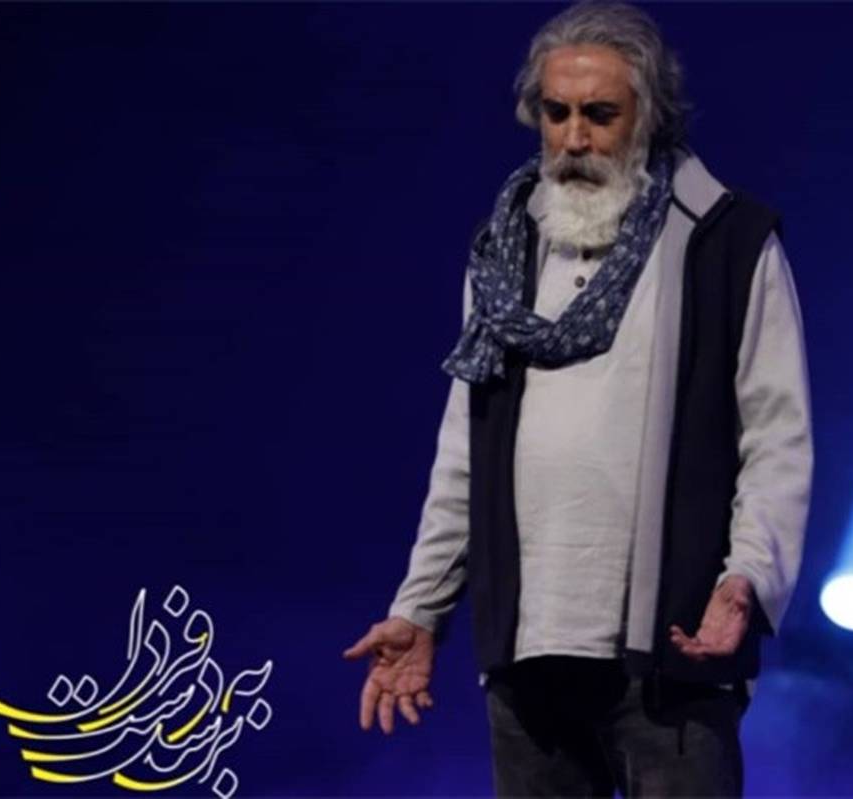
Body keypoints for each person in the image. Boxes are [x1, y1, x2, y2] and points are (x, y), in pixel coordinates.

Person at [344, 3, 812, 796]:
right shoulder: (504, 254)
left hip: (673, 648)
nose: (573, 138)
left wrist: (749, 580)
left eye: (600, 114)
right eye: (555, 113)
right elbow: (464, 449)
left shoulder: (726, 243)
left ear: (649, 118)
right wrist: (419, 607)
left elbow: (777, 437)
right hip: (529, 652)